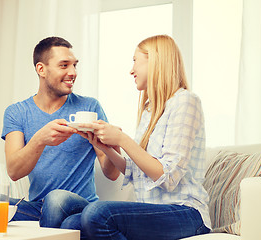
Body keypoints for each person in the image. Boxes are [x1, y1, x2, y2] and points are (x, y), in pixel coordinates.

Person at [0, 36, 120, 228]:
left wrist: (113, 144)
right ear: (41, 69)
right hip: (38, 207)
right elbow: (14, 171)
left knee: (56, 199)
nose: (73, 72)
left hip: (79, 206)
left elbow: (111, 174)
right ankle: (48, 222)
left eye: (74, 65)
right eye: (64, 65)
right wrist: (40, 139)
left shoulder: (89, 107)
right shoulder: (17, 112)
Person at [76, 35, 211, 240]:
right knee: (71, 224)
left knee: (97, 214)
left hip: (187, 213)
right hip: (153, 210)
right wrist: (106, 148)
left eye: (135, 61)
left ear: (155, 62)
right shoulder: (150, 110)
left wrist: (122, 139)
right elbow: (138, 172)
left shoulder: (185, 102)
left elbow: (168, 178)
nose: (131, 70)